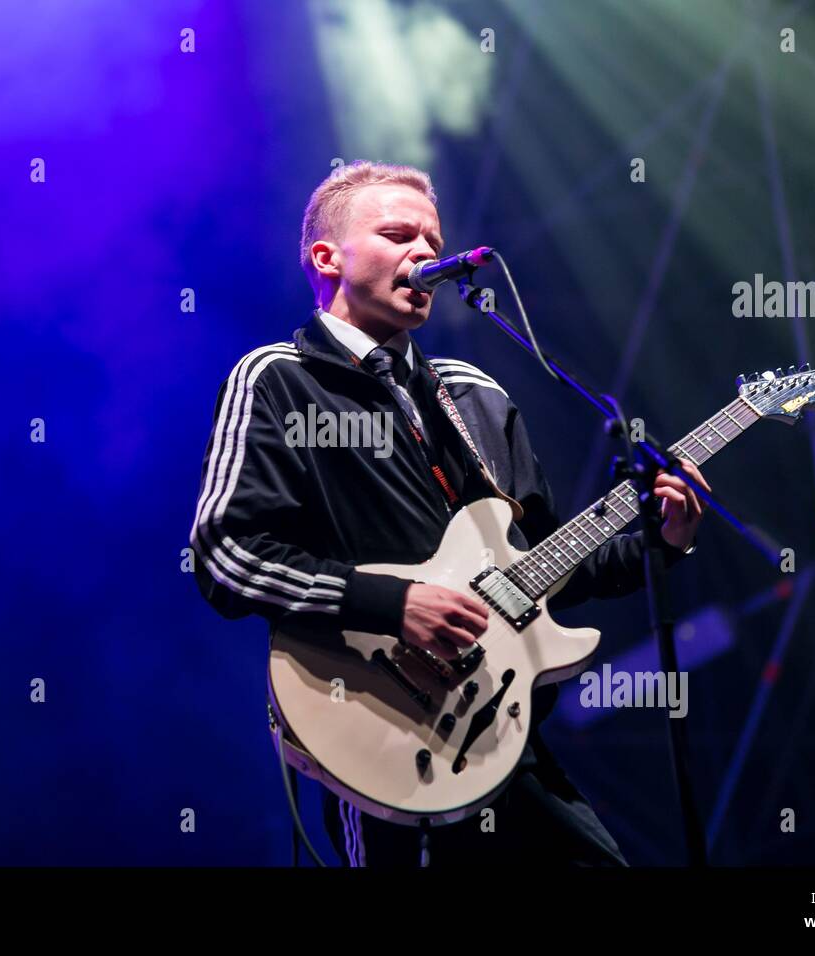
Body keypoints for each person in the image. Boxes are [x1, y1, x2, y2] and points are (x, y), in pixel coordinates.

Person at [189, 160, 710, 866]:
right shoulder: (279, 378)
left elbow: (545, 566)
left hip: (498, 730)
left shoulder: (474, 395)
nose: (426, 255)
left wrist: (661, 539)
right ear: (327, 257)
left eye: (434, 241)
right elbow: (228, 554)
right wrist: (393, 602)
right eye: (399, 235)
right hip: (376, 725)